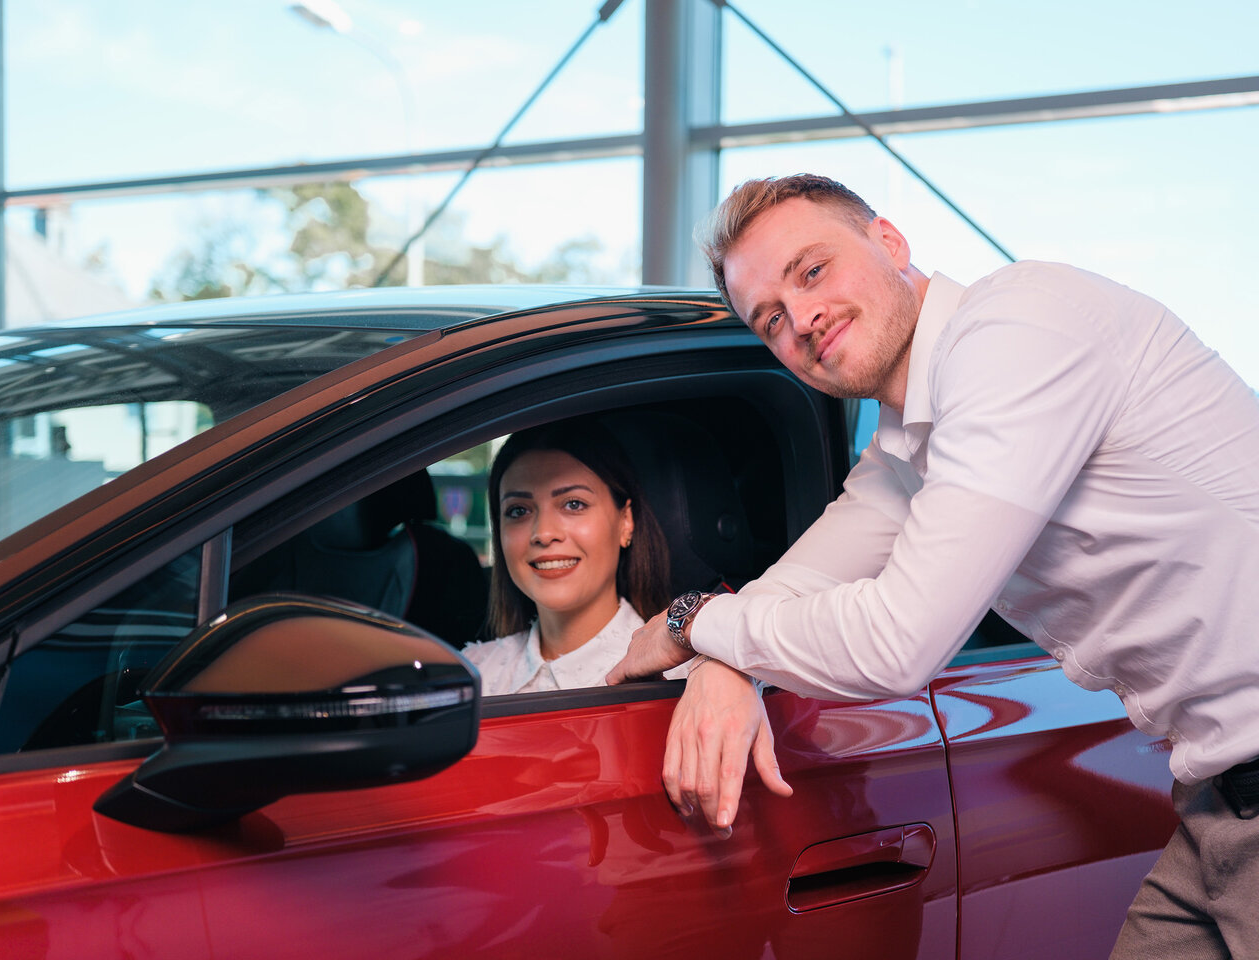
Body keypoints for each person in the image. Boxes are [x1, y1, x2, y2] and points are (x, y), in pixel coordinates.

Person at [606, 173, 1259, 957]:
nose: (802, 321)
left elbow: (897, 641)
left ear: (890, 241)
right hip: (1219, 799)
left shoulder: (1018, 329)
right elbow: (804, 580)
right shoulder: (907, 446)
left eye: (811, 272)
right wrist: (721, 658)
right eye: (770, 320)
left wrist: (695, 622)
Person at [464, 418, 686, 694]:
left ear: (625, 521)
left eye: (573, 504)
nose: (543, 533)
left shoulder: (685, 679)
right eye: (518, 511)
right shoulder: (472, 676)